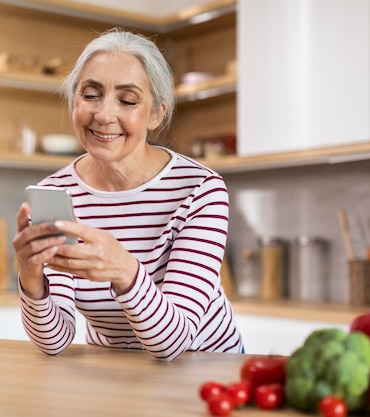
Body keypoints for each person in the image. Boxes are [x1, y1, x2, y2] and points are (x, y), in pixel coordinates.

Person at [12, 27, 244, 361]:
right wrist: (31, 275)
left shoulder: (199, 189)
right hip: (116, 374)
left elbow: (173, 343)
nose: (104, 115)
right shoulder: (55, 192)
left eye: (128, 100)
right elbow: (55, 340)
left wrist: (124, 270)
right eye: (90, 94)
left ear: (156, 114)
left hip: (206, 368)